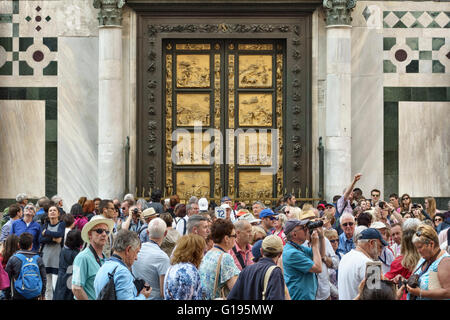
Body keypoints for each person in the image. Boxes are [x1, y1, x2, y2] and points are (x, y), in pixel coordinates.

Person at [94, 229, 151, 300]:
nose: (136, 258)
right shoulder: (122, 272)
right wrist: (143, 296)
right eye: (136, 252)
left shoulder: (104, 266)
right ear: (128, 250)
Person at [228, 235, 285, 300]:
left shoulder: (246, 270)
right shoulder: (275, 272)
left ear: (261, 251)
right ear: (280, 254)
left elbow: (232, 297)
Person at [338, 228, 388, 300]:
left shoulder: (345, 257)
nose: (380, 252)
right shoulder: (371, 265)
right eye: (380, 247)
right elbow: (376, 297)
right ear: (372, 243)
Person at [71, 215, 114, 300]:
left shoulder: (104, 257)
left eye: (107, 232)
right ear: (90, 234)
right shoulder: (82, 258)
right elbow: (76, 288)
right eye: (99, 231)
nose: (104, 234)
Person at [282, 219, 324, 300]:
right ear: (294, 234)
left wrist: (321, 236)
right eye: (303, 228)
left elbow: (320, 255)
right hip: (299, 297)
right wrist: (314, 245)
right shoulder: (291, 253)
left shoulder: (297, 247)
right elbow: (318, 268)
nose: (307, 230)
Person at [405, 224, 450, 300]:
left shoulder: (444, 261)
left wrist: (420, 293)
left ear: (431, 244)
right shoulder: (424, 258)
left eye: (420, 247)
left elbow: (448, 292)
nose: (418, 251)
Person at [199, 219, 240, 299]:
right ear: (226, 239)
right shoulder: (225, 257)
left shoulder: (209, 253)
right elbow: (236, 289)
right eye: (234, 236)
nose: (235, 238)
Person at [132, 218, 170, 300]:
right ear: (165, 233)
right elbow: (164, 292)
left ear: (147, 232)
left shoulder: (136, 251)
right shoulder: (163, 258)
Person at [384, 218, 421, 300]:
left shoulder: (400, 261)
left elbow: (386, 279)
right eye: (393, 234)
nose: (395, 236)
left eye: (398, 233)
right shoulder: (426, 258)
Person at [163, 234, 206, 300]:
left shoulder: (172, 267)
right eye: (202, 251)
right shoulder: (189, 270)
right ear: (196, 252)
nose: (203, 255)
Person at [5, 232, 46, 300]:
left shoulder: (13, 258)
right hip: (35, 293)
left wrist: (7, 295)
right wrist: (43, 294)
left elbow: (7, 278)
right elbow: (43, 278)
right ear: (31, 246)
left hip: (19, 293)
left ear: (18, 245)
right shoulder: (38, 259)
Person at [40, 204, 66, 300]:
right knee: (47, 287)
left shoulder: (61, 224)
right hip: (46, 258)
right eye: (50, 210)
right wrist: (54, 239)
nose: (52, 212)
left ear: (58, 213)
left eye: (54, 210)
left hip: (57, 258)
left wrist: (46, 233)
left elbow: (60, 234)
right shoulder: (45, 225)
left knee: (56, 286)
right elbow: (40, 239)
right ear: (48, 213)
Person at [53, 229, 83, 300]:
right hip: (70, 278)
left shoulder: (63, 249)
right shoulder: (75, 253)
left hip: (61, 276)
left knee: (59, 294)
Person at [324, 229, 340, 300]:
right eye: (332, 241)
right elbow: (325, 282)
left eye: (337, 240)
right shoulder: (324, 258)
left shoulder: (341, 255)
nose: (335, 242)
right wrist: (338, 294)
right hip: (331, 295)